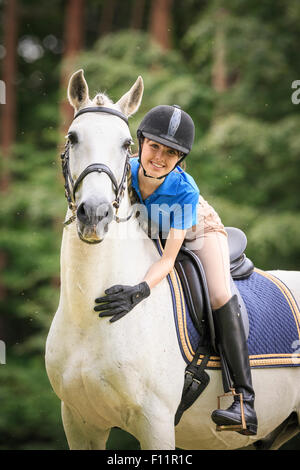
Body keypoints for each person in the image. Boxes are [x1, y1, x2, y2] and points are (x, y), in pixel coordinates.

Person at [94, 105, 258, 436]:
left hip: (199, 232)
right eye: (154, 146)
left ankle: (244, 400)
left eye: (171, 152)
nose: (160, 157)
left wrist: (139, 291)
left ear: (180, 158)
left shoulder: (185, 191)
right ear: (140, 142)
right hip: (152, 228)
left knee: (219, 292)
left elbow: (168, 260)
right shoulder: (125, 169)